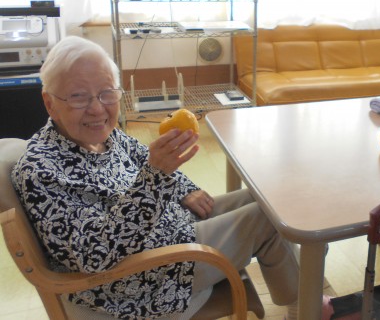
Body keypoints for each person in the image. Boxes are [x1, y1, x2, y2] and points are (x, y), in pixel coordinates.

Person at [11, 36, 332, 320]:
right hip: (139, 279)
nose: (97, 109)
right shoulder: (41, 171)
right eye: (79, 97)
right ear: (49, 102)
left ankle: (305, 295)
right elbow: (96, 257)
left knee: (269, 198)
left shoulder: (104, 136)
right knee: (267, 220)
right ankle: (305, 310)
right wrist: (157, 176)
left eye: (107, 93)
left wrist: (184, 188)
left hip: (168, 230)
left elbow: (145, 160)